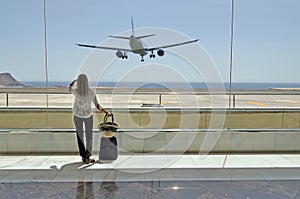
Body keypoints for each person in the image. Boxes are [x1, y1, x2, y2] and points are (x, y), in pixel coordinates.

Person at [69, 74, 111, 164]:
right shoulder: (91, 91)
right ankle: (87, 157)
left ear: (79, 82)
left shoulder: (76, 91)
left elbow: (69, 88)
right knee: (89, 137)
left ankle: (83, 157)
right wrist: (106, 112)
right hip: (88, 116)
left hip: (77, 116)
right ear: (87, 82)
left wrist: (75, 81)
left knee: (80, 137)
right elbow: (97, 105)